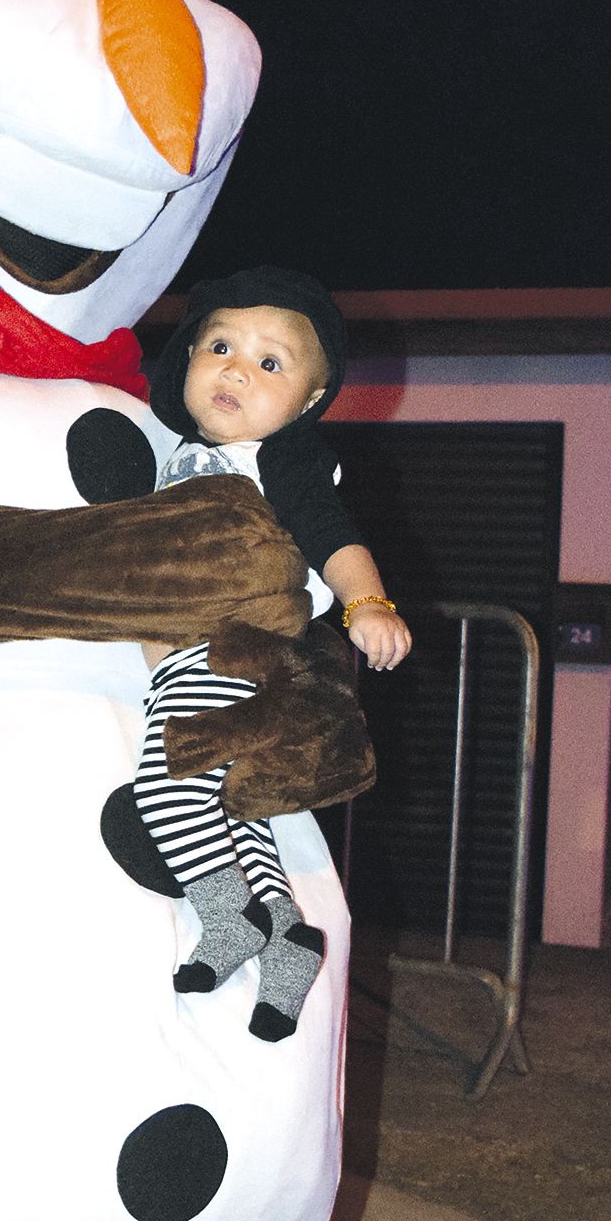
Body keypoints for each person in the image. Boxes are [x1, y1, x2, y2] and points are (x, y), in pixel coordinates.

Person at [136, 267, 412, 1038]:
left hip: (236, 650)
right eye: (218, 344)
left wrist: (368, 601)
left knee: (171, 783)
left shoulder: (280, 457)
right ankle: (288, 936)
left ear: (309, 402)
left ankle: (227, 920)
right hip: (201, 658)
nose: (233, 368)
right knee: (236, 803)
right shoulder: (175, 446)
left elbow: (333, 533)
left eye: (269, 362)